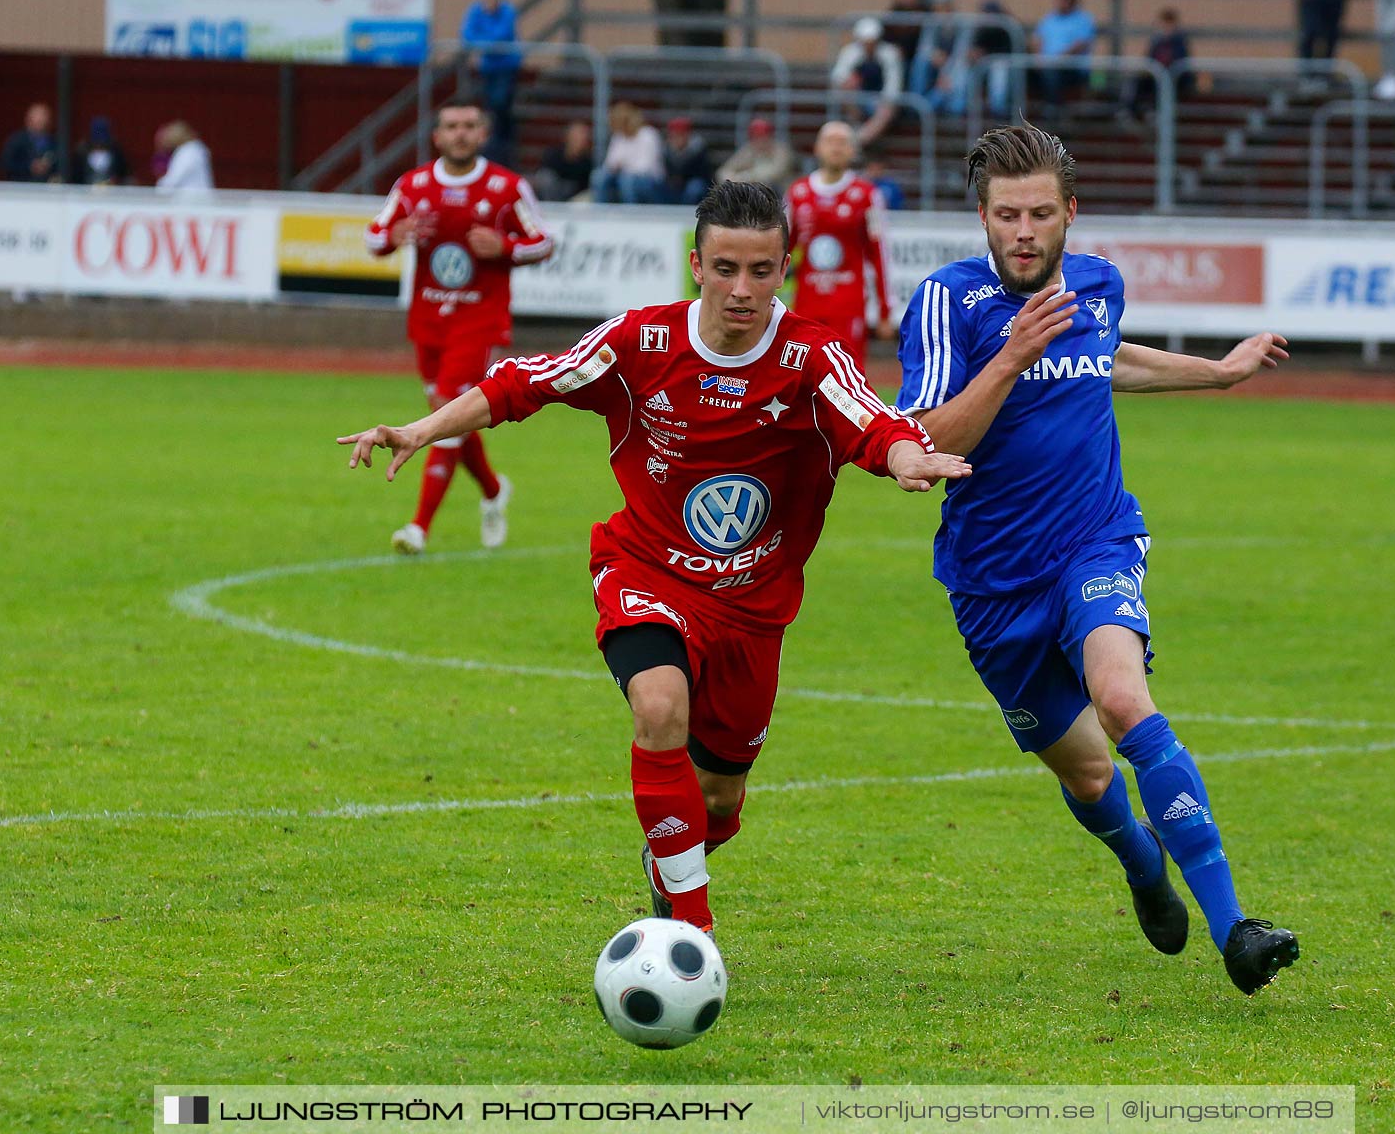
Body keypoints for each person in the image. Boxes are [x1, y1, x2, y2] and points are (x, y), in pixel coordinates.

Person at [339, 181, 969, 936]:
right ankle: (691, 931)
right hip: (647, 571)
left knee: (719, 805)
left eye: (762, 271)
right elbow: (522, 383)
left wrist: (904, 455)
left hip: (753, 605)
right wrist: (422, 428)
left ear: (786, 268)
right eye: (727, 268)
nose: (743, 289)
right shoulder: (640, 341)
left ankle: (672, 860)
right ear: (696, 264)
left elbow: (871, 419)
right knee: (659, 707)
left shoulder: (810, 353)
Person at [896, 124, 1300, 995]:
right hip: (992, 582)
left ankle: (1237, 928)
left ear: (1070, 213)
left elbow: (1107, 359)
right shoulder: (946, 303)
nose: (1026, 232)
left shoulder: (1098, 284)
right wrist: (1010, 356)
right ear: (984, 218)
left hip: (1095, 539)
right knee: (1085, 773)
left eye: (1042, 213)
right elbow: (927, 438)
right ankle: (1142, 863)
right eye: (1008, 215)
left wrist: (1219, 373)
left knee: (1123, 697)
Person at [365, 98, 553, 554]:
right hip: (428, 321)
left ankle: (418, 528)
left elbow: (544, 242)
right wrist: (395, 237)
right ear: (437, 136)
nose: (461, 133)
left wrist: (505, 246)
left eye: (470, 125)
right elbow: (373, 237)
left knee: (446, 411)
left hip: (479, 319)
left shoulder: (506, 187)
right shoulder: (414, 186)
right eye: (452, 126)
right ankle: (492, 491)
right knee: (450, 421)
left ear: (483, 133)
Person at [785, 122, 893, 370]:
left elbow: (880, 254)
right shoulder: (797, 193)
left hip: (848, 304)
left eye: (843, 142)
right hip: (807, 302)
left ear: (853, 151)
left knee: (849, 374)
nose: (836, 147)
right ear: (817, 148)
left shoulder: (866, 195)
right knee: (802, 375)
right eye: (830, 141)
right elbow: (781, 250)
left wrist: (885, 311)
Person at [460, 0, 522, 166]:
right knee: (490, 104)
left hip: (506, 65)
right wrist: (485, 45)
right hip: (487, 67)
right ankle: (492, 142)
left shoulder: (507, 10)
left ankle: (501, 143)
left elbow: (502, 35)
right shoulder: (475, 11)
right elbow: (467, 34)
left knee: (501, 103)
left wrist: (482, 44)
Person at [830, 17, 905, 147]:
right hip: (859, 99)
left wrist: (884, 102)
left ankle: (856, 142)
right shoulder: (850, 52)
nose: (869, 46)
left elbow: (893, 87)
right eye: (866, 42)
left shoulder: (889, 54)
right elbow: (838, 77)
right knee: (843, 90)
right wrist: (849, 81)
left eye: (872, 42)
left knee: (888, 109)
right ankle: (856, 126)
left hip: (880, 101)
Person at [1031, 0, 1095, 114]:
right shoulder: (1049, 19)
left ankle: (1053, 110)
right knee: (1022, 71)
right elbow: (1037, 40)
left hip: (1071, 69)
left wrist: (1057, 59)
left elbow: (1080, 44)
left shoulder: (1083, 20)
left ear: (1070, 0)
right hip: (1046, 66)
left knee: (1052, 73)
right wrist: (1038, 58)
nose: (1057, 2)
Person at [1119, 9, 1192, 122]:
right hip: (1155, 76)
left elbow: (1180, 61)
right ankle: (1129, 110)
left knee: (1163, 82)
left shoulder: (1180, 42)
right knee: (1136, 81)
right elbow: (1149, 58)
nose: (1164, 28)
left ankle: (1155, 110)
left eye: (1167, 24)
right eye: (1162, 24)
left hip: (1172, 78)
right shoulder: (1156, 41)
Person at [592, 103, 667, 205]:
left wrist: (623, 166)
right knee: (598, 176)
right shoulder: (618, 136)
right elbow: (609, 164)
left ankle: (631, 211)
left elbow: (645, 167)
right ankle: (601, 210)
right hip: (623, 176)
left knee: (627, 180)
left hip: (651, 182)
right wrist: (617, 167)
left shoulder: (648, 134)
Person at [715, 118, 796, 194]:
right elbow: (723, 171)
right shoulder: (749, 150)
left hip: (780, 195)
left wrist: (744, 177)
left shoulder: (781, 150)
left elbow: (775, 173)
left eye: (763, 136)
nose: (759, 140)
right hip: (753, 195)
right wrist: (731, 178)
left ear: (770, 136)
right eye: (756, 137)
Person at [532, 120, 594, 203]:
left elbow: (585, 187)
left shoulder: (588, 162)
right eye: (579, 135)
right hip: (553, 194)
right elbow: (542, 176)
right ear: (569, 136)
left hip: (573, 200)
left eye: (585, 135)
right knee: (545, 177)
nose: (583, 138)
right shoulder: (553, 154)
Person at [661, 116, 715, 206]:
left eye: (680, 135)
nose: (676, 139)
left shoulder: (698, 149)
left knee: (694, 187)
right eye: (673, 135)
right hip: (674, 188)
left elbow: (704, 175)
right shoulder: (667, 151)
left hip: (694, 186)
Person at [0, 103, 58, 184]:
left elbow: (62, 166)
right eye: (38, 118)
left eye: (44, 117)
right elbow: (5, 164)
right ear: (28, 119)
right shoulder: (17, 140)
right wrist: (30, 167)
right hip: (21, 188)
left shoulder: (54, 142)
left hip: (47, 190)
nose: (42, 121)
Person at [882, 0, 931, 66]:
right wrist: (895, 47)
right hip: (900, 53)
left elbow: (929, 35)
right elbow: (886, 36)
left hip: (920, 51)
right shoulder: (893, 13)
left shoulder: (925, 11)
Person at [70, 116, 132, 186]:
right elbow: (75, 179)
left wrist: (117, 182)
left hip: (112, 194)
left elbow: (125, 176)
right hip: (85, 194)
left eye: (102, 141)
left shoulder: (116, 153)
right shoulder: (81, 154)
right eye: (97, 141)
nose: (100, 144)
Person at [154, 122, 212, 193]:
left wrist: (161, 188)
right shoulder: (195, 149)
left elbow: (175, 178)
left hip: (191, 199)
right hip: (197, 197)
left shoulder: (188, 151)